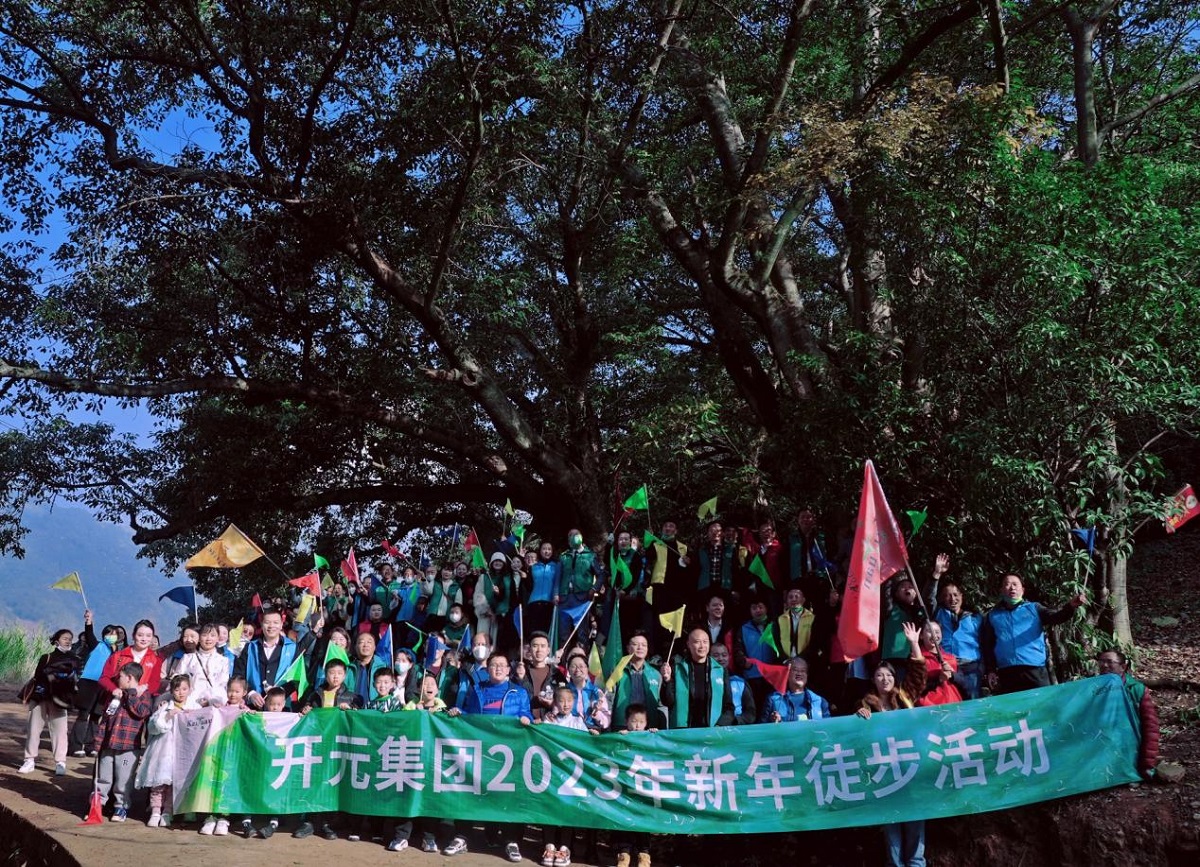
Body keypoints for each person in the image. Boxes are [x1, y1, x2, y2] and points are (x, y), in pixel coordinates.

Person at [447, 653, 531, 861]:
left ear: (509, 670)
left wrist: (525, 718)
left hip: (508, 753)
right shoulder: (477, 689)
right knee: (469, 790)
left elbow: (527, 714)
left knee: (508, 796)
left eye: (502, 665)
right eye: (494, 665)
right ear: (488, 669)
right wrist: (459, 712)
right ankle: (461, 836)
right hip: (480, 750)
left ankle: (511, 840)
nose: (498, 668)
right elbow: (470, 715)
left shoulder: (519, 692)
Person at [856, 624, 927, 867]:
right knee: (891, 823)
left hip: (910, 767)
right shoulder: (866, 704)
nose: (885, 679)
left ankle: (916, 863)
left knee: (916, 817)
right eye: (880, 675)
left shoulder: (904, 697)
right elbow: (858, 736)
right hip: (884, 773)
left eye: (889, 675)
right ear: (873, 680)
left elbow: (918, 676)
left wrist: (914, 644)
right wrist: (859, 717)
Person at [981, 574, 1086, 693]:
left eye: (1015, 584)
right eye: (1007, 584)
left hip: (1035, 670)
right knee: (1013, 705)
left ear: (1022, 590)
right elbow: (988, 645)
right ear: (1001, 590)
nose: (1012, 588)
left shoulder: (1034, 608)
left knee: (1043, 703)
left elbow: (1056, 616)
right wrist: (991, 670)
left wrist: (1070, 606)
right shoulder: (993, 616)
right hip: (1007, 672)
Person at [138, 673, 201, 828]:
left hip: (183, 751)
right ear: (172, 691)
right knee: (159, 782)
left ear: (190, 690)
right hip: (164, 750)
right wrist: (167, 716)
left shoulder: (195, 708)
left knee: (174, 783)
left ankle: (167, 811)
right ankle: (155, 811)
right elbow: (152, 727)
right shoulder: (165, 706)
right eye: (177, 689)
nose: (181, 693)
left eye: (184, 689)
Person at [92, 661, 152, 822]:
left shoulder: (143, 695)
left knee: (124, 780)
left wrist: (131, 694)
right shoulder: (115, 695)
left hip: (128, 748)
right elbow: (106, 719)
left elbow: (142, 712)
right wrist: (98, 742)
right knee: (103, 777)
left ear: (129, 678)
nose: (117, 680)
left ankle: (121, 807)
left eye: (121, 677)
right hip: (108, 745)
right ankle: (97, 806)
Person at [19, 627, 82, 775]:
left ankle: (60, 762)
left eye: (70, 639)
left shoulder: (75, 659)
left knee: (60, 731)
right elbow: (38, 676)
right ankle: (29, 760)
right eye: (65, 638)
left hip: (61, 700)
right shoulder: (46, 657)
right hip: (40, 698)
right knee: (33, 729)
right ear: (56, 640)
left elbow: (75, 679)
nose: (68, 641)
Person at [926, 554, 983, 699]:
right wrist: (936, 574)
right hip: (947, 664)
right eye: (948, 595)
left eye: (956, 595)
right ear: (942, 598)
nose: (953, 599)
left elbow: (986, 643)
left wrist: (985, 668)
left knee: (972, 703)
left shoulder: (975, 617)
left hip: (971, 667)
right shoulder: (938, 613)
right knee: (950, 702)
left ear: (962, 596)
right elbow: (928, 599)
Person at [1097, 649, 1160, 778]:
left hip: (1130, 750)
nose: (1104, 665)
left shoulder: (1136, 690)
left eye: (1110, 662)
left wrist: (1147, 764)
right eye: (1101, 661)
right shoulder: (1093, 689)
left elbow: (1151, 727)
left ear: (1123, 667)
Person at [660, 628, 735, 728]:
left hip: (712, 730)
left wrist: (719, 725)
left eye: (705, 642)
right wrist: (667, 680)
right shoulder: (678, 669)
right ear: (688, 644)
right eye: (697, 642)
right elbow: (668, 702)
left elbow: (728, 706)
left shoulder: (720, 671)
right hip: (684, 731)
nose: (702, 646)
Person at [613, 704, 654, 867]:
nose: (637, 726)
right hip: (625, 787)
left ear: (646, 723)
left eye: (641, 722)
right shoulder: (622, 737)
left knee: (643, 819)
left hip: (644, 788)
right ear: (626, 721)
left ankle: (644, 854)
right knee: (624, 818)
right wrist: (619, 737)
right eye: (634, 721)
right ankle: (624, 853)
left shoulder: (649, 737)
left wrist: (655, 735)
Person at [231, 609, 298, 709]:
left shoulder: (292, 648)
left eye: (275, 622)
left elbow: (297, 676)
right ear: (262, 625)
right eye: (267, 622)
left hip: (282, 708)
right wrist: (250, 693)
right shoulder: (250, 647)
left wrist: (281, 692)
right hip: (254, 708)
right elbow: (238, 674)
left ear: (281, 625)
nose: (271, 626)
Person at [609, 632, 664, 731]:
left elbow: (661, 704)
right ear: (628, 648)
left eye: (644, 645)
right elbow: (609, 700)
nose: (640, 648)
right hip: (622, 727)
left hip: (649, 728)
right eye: (635, 644)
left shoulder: (655, 674)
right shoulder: (617, 671)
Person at [99, 619, 163, 699]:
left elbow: (155, 683)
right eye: (140, 635)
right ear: (133, 636)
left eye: (148, 635)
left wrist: (144, 689)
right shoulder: (118, 656)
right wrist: (113, 689)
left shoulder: (156, 660)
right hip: (116, 700)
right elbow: (104, 678)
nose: (144, 639)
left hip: (138, 702)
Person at [734, 598, 778, 714]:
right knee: (755, 708)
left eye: (760, 607)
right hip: (752, 676)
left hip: (772, 676)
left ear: (766, 609)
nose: (757, 610)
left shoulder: (775, 626)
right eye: (754, 608)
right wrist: (744, 662)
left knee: (771, 709)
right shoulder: (744, 628)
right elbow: (738, 649)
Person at [762, 656, 830, 723]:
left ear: (807, 675)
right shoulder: (773, 700)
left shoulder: (820, 701)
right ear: (787, 673)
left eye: (803, 671)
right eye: (795, 670)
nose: (799, 673)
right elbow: (762, 727)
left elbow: (828, 727)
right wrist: (772, 722)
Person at [178, 623, 231, 707]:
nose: (208, 639)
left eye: (213, 635)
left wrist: (211, 700)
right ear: (199, 638)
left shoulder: (223, 661)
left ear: (217, 638)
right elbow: (177, 681)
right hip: (191, 702)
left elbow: (223, 684)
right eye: (204, 635)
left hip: (215, 702)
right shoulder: (187, 659)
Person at [520, 631, 565, 721]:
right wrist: (519, 679)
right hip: (525, 722)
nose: (539, 650)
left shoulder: (556, 674)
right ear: (529, 650)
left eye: (543, 646)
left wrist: (552, 705)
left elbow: (565, 701)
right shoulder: (521, 672)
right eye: (535, 646)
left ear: (548, 650)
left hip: (548, 723)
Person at [915, 622, 962, 706]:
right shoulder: (917, 659)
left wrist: (952, 675)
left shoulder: (950, 658)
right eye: (929, 631)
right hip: (930, 705)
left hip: (953, 702)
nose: (934, 635)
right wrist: (939, 679)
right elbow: (915, 687)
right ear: (921, 635)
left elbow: (962, 682)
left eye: (937, 632)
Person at [710, 643, 756, 725]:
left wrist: (736, 721)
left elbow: (750, 713)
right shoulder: (705, 680)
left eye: (724, 655)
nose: (720, 658)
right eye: (716, 655)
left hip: (736, 726)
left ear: (729, 657)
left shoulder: (739, 682)